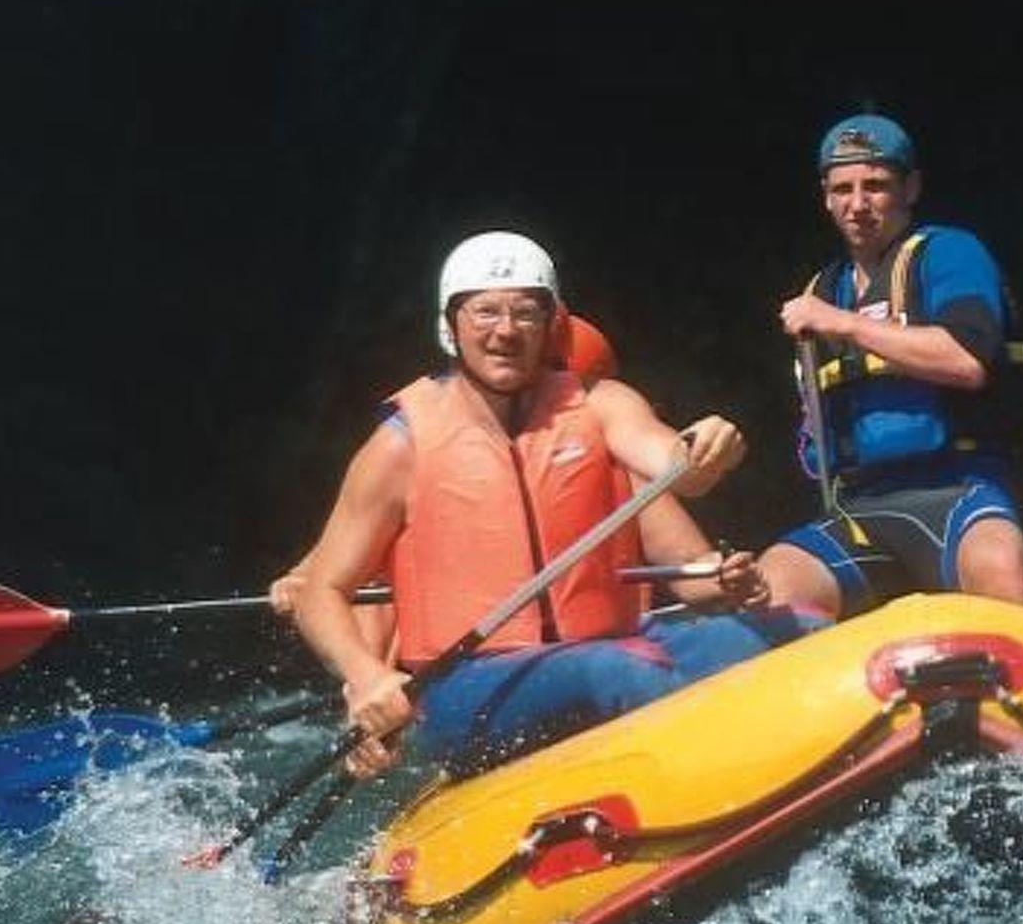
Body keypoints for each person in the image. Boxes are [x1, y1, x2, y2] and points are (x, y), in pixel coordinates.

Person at [291, 230, 804, 778]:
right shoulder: (400, 445)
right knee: (611, 672)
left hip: (613, 644)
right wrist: (367, 676)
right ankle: (733, 772)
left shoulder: (601, 405)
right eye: (485, 312)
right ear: (451, 325)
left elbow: (679, 465)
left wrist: (705, 451)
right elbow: (320, 592)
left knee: (796, 628)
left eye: (525, 313)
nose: (505, 330)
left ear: (550, 324)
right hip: (466, 687)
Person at [756, 113, 1023, 619]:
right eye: (842, 189)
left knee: (1003, 573)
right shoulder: (822, 290)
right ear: (826, 197)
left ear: (910, 188)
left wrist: (844, 324)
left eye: (875, 186)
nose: (858, 204)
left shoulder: (948, 252)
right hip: (859, 505)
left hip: (957, 489)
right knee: (772, 590)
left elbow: (967, 361)